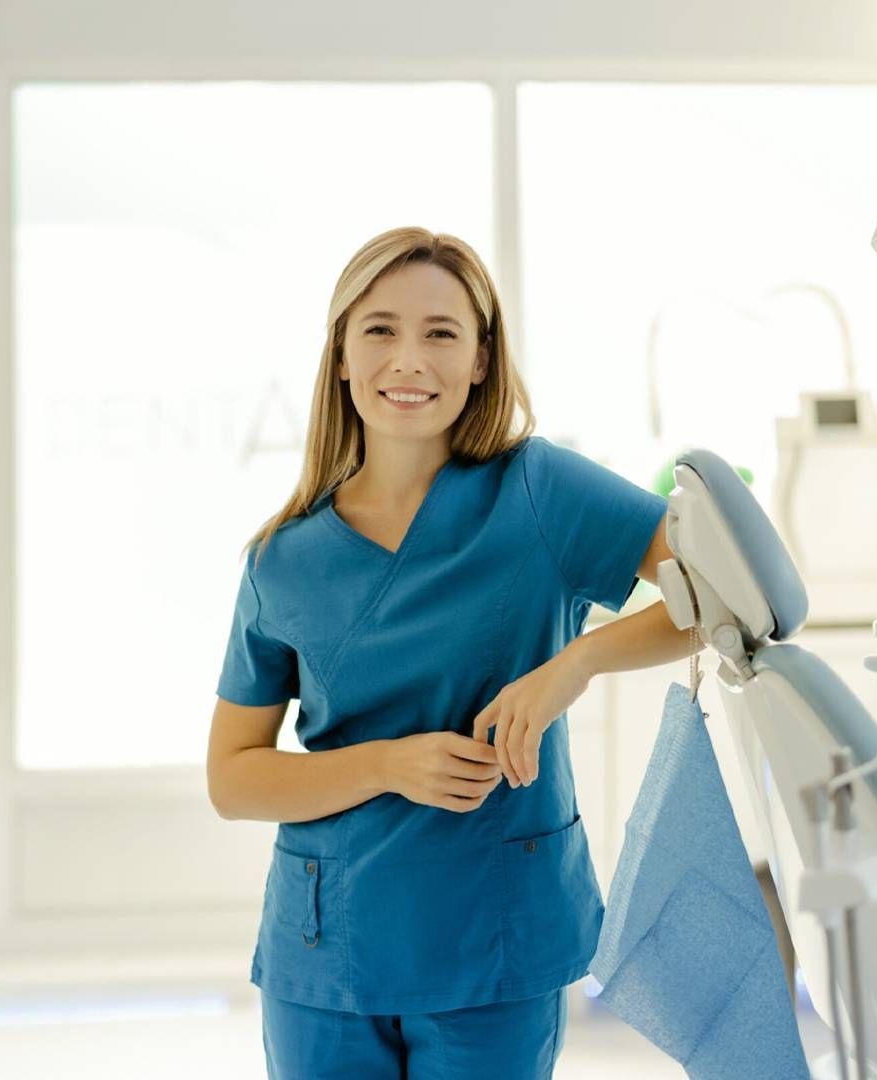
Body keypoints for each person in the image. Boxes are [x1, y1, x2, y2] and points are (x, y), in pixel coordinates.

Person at [206, 227, 700, 1079]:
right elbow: (234, 776)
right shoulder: (283, 558)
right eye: (381, 330)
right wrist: (390, 764)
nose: (410, 360)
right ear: (341, 357)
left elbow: (715, 601)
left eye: (441, 333)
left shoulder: (540, 491)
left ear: (480, 359)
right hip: (327, 948)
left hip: (493, 938)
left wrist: (571, 666)